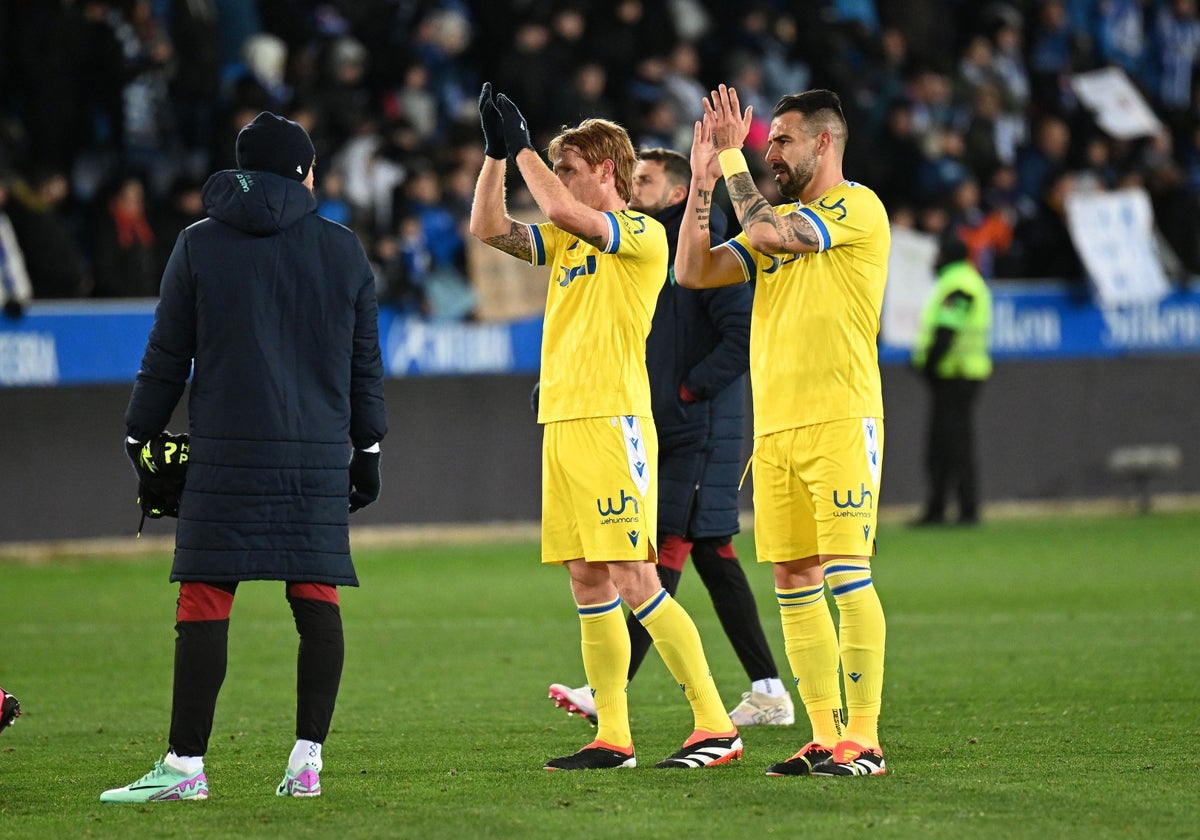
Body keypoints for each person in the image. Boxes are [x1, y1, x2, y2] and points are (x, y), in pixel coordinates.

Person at [100, 111, 387, 803]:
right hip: (317, 452)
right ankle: (307, 764)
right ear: (303, 171)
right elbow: (364, 366)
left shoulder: (198, 244)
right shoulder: (345, 249)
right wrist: (369, 448)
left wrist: (140, 435)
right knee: (315, 595)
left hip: (226, 450)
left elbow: (169, 353)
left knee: (205, 596)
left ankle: (184, 768)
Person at [470, 83, 741, 771]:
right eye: (556, 165)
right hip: (560, 420)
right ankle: (612, 737)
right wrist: (498, 155)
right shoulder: (564, 238)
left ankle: (716, 724)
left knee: (634, 577)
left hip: (612, 420)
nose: (558, 178)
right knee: (587, 582)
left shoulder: (642, 235)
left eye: (570, 165)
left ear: (607, 171)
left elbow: (559, 205)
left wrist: (527, 145)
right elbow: (488, 228)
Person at [675, 85, 891, 777]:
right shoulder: (779, 219)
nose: (771, 153)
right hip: (779, 434)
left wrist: (733, 156)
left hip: (839, 420)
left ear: (824, 142)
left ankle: (866, 738)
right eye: (768, 144)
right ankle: (826, 735)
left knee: (847, 579)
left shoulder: (856, 207)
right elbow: (692, 271)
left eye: (782, 141)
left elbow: (767, 233)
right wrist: (703, 182)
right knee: (795, 580)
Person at [547, 148, 794, 728]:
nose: (635, 188)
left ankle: (617, 691)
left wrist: (685, 394)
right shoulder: (638, 249)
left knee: (665, 547)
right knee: (710, 551)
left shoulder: (709, 256)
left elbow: (740, 340)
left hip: (702, 428)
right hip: (668, 426)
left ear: (679, 193)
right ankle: (768, 689)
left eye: (648, 181)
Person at [911, 229, 993, 525]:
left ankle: (953, 509)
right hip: (959, 375)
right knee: (952, 444)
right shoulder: (963, 281)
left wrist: (928, 364)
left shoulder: (958, 284)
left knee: (950, 446)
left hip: (956, 375)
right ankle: (953, 508)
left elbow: (946, 330)